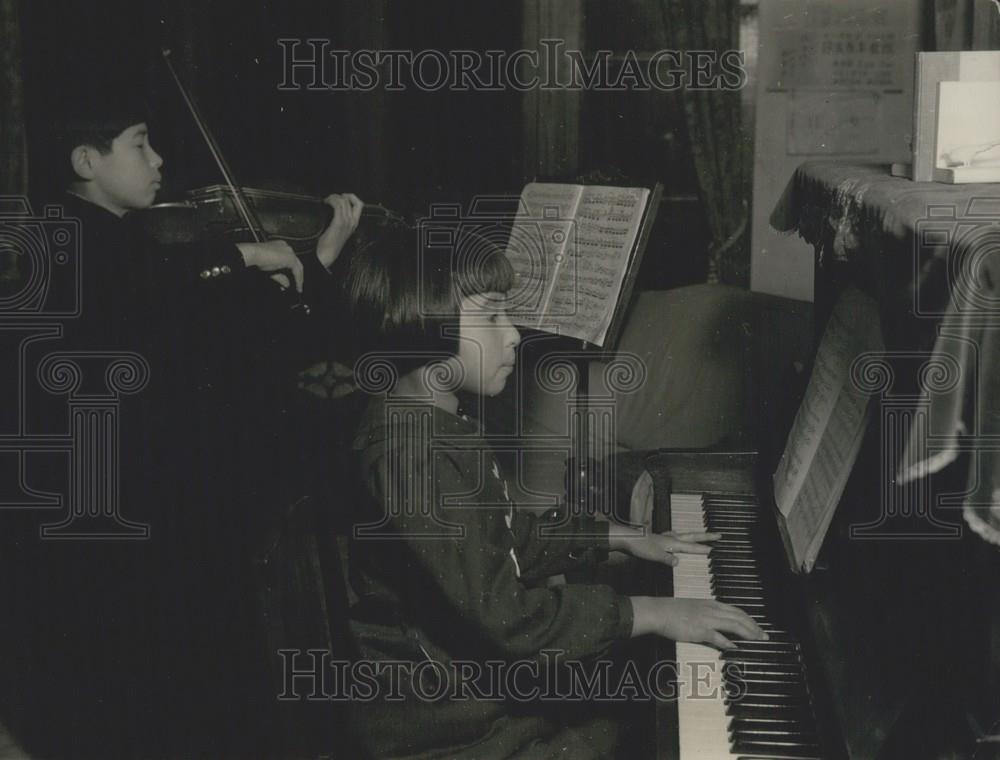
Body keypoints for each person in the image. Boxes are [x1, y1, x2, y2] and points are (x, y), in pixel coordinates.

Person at [3, 84, 363, 757]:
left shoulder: (128, 246)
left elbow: (224, 325)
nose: (160, 160)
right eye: (141, 145)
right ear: (87, 160)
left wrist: (315, 261)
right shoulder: (69, 242)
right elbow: (148, 292)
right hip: (129, 514)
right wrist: (244, 257)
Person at [341, 227, 766, 759]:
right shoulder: (411, 457)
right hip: (447, 729)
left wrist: (619, 536)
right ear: (428, 329)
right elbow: (507, 616)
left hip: (470, 695)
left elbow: (506, 537)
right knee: (642, 726)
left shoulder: (434, 422)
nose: (513, 334)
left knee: (638, 706)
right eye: (492, 316)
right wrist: (649, 613)